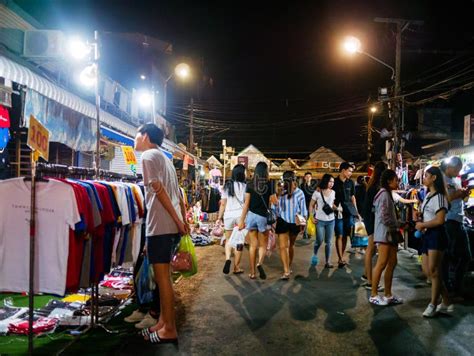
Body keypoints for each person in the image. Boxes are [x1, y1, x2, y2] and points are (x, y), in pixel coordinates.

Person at [134, 123, 189, 344]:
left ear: (145, 136)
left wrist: (177, 220)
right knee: (163, 278)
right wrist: (181, 220)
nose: (134, 139)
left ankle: (170, 328)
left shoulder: (148, 156)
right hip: (168, 226)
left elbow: (160, 191)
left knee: (163, 279)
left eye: (136, 135)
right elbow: (178, 194)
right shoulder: (165, 158)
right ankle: (163, 323)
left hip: (161, 226)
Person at [415, 166, 452, 317]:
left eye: (426, 175)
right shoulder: (429, 195)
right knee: (428, 271)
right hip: (428, 234)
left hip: (437, 235)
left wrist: (423, 224)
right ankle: (447, 299)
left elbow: (440, 220)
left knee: (434, 271)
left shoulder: (440, 197)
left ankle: (433, 304)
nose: (424, 178)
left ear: (434, 178)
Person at [369, 169, 404, 306]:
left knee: (392, 262)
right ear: (389, 181)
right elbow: (385, 216)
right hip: (385, 233)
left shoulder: (388, 193)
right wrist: (399, 223)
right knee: (382, 263)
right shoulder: (383, 194)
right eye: (396, 179)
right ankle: (373, 295)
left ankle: (388, 295)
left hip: (391, 233)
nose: (398, 182)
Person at [239, 162, 277, 280]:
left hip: (251, 216)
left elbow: (246, 204)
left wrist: (241, 220)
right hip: (263, 217)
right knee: (263, 245)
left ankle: (252, 273)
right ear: (266, 172)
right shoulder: (270, 184)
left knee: (252, 245)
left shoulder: (250, 184)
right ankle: (259, 263)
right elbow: (274, 201)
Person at [441, 156, 471, 300]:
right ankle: (449, 288)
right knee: (448, 257)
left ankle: (456, 287)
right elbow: (443, 200)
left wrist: (463, 194)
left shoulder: (456, 180)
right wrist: (456, 194)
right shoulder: (441, 180)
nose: (459, 172)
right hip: (448, 221)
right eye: (457, 169)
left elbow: (459, 199)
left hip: (459, 220)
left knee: (465, 256)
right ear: (449, 167)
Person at [275, 171, 308, 279]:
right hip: (295, 222)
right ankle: (287, 268)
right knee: (289, 246)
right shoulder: (300, 192)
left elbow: (276, 209)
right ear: (294, 180)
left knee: (283, 247)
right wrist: (304, 224)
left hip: (283, 221)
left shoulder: (280, 192)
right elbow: (303, 211)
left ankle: (286, 270)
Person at [361, 162, 387, 289]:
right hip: (372, 219)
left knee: (371, 249)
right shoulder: (376, 187)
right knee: (371, 248)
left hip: (369, 218)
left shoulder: (373, 185)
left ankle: (367, 275)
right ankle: (370, 282)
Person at [218, 164, 247, 275]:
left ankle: (228, 259)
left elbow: (223, 203)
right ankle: (236, 267)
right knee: (239, 242)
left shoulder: (227, 185)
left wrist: (219, 217)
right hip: (240, 216)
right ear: (242, 174)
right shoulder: (245, 186)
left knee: (229, 239)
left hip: (228, 215)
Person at [333, 162, 360, 268]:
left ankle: (341, 256)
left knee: (345, 236)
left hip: (349, 213)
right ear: (343, 170)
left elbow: (353, 198)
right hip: (337, 213)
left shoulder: (351, 183)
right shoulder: (334, 182)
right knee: (339, 235)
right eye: (349, 171)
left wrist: (356, 212)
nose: (350, 173)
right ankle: (340, 258)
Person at [309, 174, 336, 268]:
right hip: (319, 220)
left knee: (328, 242)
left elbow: (331, 205)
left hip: (331, 220)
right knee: (319, 240)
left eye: (333, 182)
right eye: (330, 181)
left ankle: (327, 262)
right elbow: (311, 205)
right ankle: (315, 254)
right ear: (325, 181)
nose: (332, 184)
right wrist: (311, 216)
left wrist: (337, 208)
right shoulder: (317, 192)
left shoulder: (333, 192)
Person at [300, 172, 316, 239]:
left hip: (312, 204)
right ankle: (305, 233)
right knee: (305, 219)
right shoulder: (301, 186)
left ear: (311, 178)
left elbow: (315, 196)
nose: (308, 178)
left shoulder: (313, 186)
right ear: (304, 178)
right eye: (307, 177)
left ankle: (308, 232)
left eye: (309, 176)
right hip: (304, 204)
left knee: (311, 218)